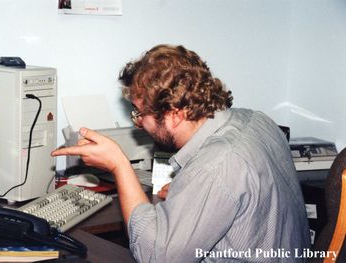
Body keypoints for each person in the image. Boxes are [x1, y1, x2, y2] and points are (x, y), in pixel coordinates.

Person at [51, 44, 310, 262]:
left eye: (140, 114)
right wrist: (191, 189)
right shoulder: (256, 120)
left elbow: (155, 256)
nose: (138, 123)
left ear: (174, 115)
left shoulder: (215, 166)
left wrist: (120, 165)